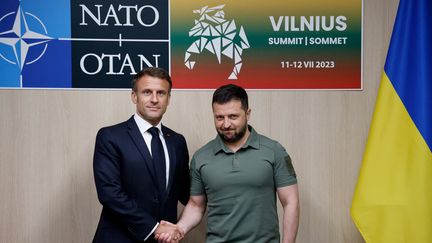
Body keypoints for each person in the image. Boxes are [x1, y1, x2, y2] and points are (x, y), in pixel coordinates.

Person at [157, 84, 299, 243]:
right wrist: (179, 228)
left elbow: (290, 202)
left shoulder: (274, 151)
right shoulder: (201, 157)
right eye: (219, 117)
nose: (226, 124)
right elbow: (196, 205)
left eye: (233, 116)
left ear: (247, 114)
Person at [92, 67, 189, 243]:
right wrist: (154, 227)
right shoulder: (110, 137)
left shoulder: (177, 141)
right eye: (147, 92)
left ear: (168, 99)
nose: (154, 99)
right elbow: (110, 193)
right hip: (119, 239)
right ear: (134, 96)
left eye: (161, 93)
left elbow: (186, 192)